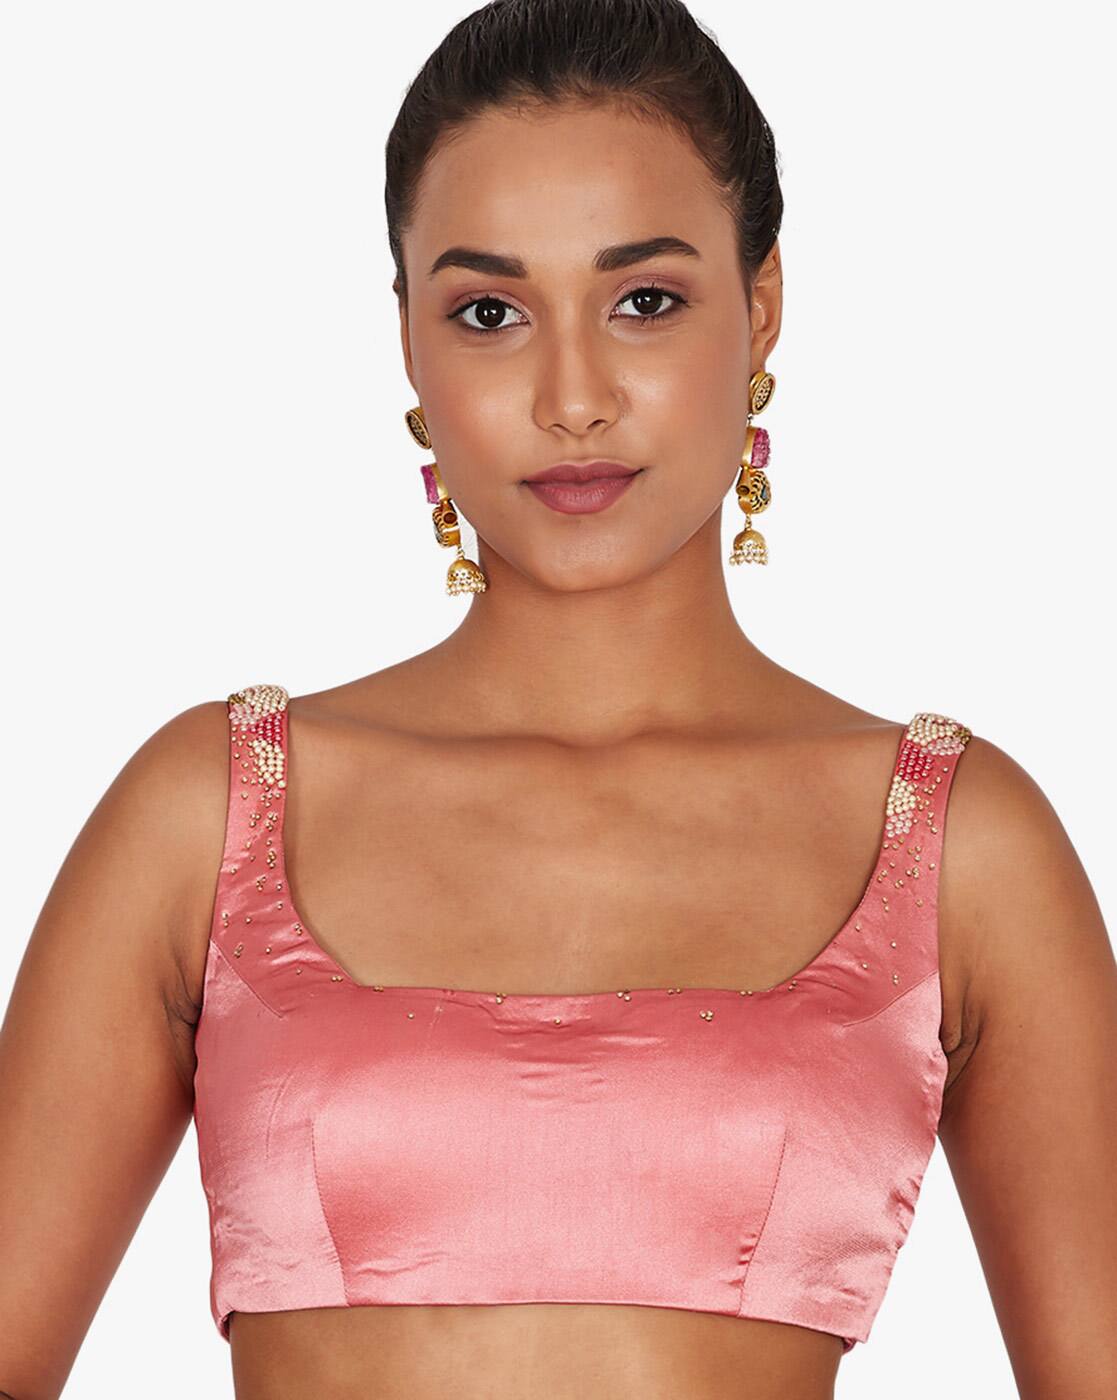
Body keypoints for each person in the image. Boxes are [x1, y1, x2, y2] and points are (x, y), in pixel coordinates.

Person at [2, 1, 1115, 1397]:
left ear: (762, 304)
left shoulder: (958, 847)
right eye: (490, 313)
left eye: (644, 301)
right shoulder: (209, 812)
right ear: (408, 340)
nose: (571, 397)